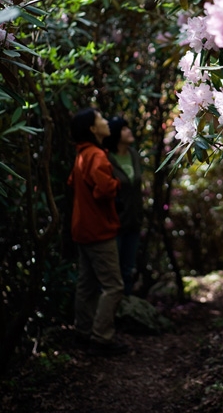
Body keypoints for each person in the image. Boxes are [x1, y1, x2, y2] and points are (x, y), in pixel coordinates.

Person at [67, 108, 130, 356]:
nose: (106, 121)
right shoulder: (95, 155)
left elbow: (73, 183)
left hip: (82, 228)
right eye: (101, 118)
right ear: (93, 129)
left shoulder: (82, 154)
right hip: (98, 230)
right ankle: (102, 338)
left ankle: (82, 333)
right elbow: (103, 190)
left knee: (87, 285)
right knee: (113, 287)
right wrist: (116, 184)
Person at [103, 116, 144, 296]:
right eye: (124, 129)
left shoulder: (133, 154)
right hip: (115, 222)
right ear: (115, 134)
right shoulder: (106, 158)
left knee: (128, 268)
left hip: (134, 220)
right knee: (114, 270)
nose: (129, 131)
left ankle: (126, 305)